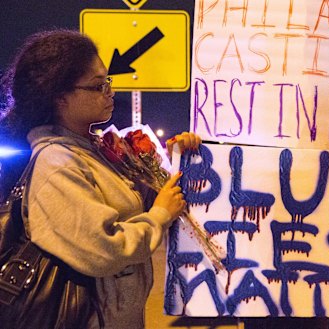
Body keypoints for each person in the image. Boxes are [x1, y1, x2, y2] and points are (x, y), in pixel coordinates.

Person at [0, 29, 199, 328]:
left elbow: (144, 198)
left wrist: (180, 158)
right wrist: (159, 216)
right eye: (97, 86)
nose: (110, 92)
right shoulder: (57, 164)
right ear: (60, 97)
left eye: (108, 82)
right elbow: (106, 248)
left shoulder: (95, 150)